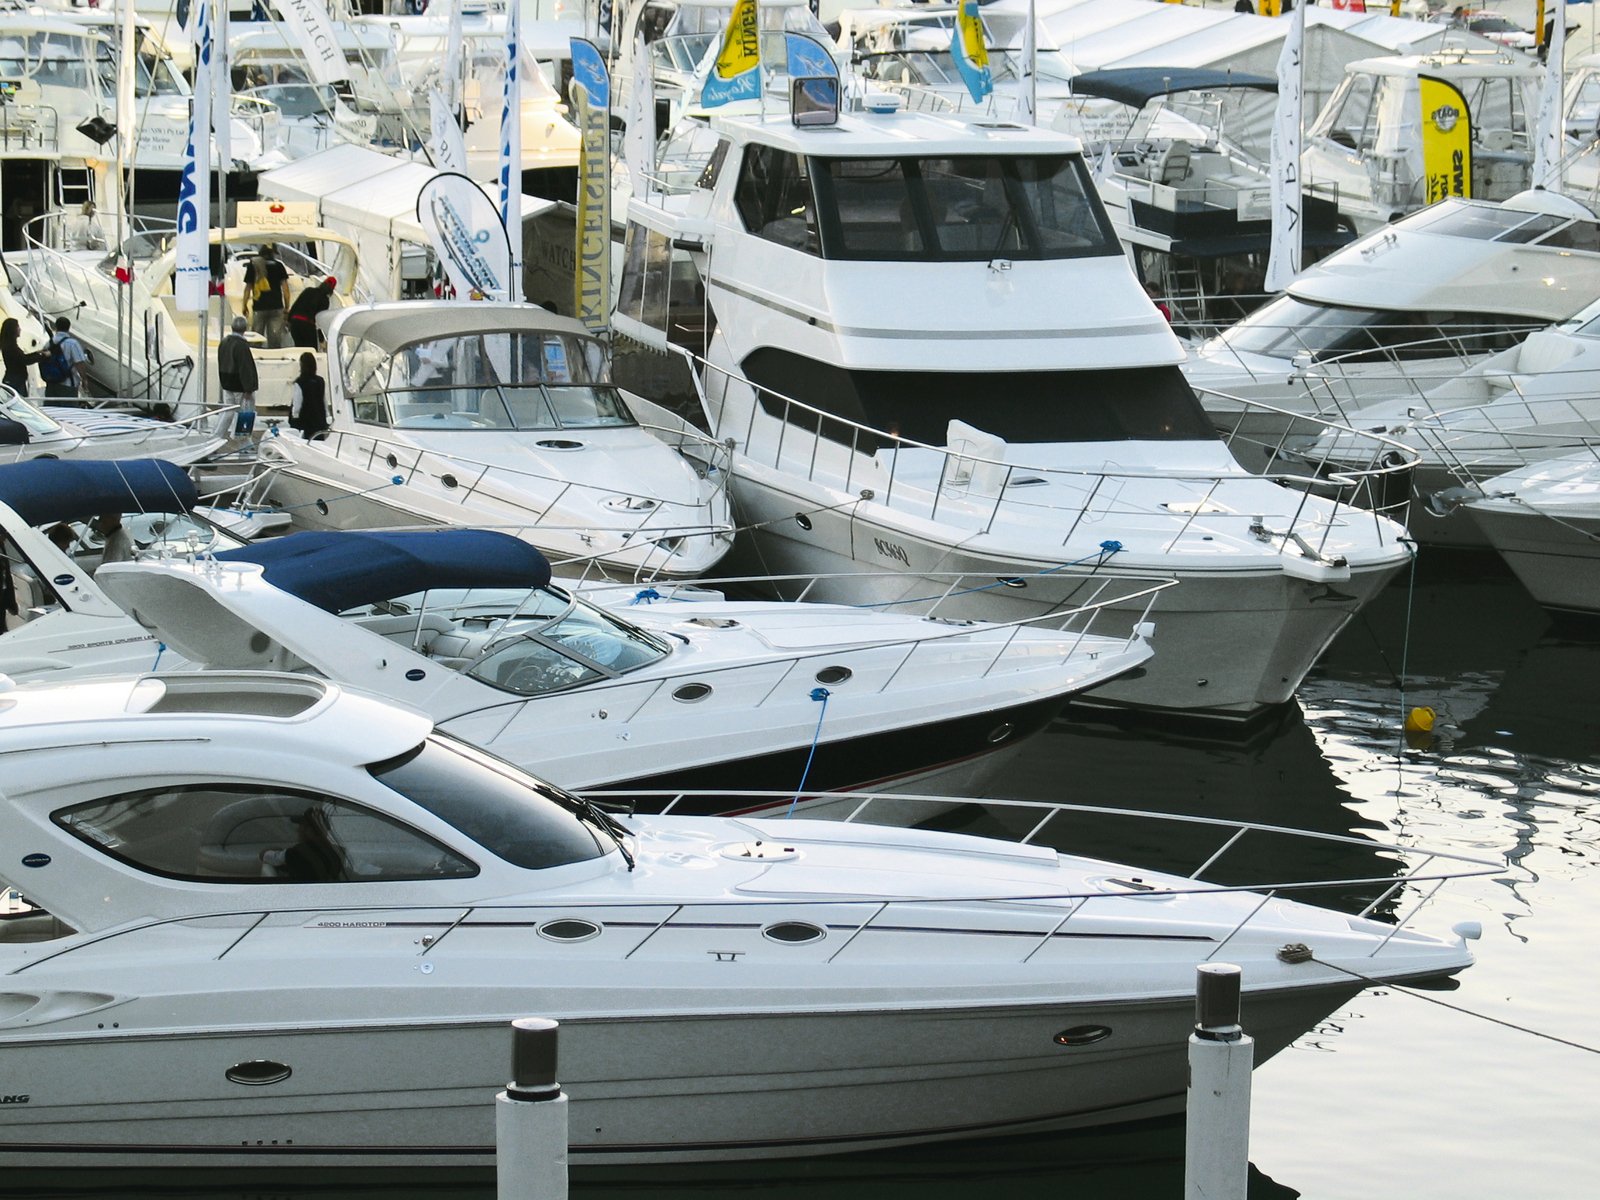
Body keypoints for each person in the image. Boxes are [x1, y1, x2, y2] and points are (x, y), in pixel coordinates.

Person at [218, 315, 259, 436]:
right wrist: (249, 388)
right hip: (239, 385)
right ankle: (243, 440)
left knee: (228, 412)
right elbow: (245, 368)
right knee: (245, 414)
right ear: (245, 329)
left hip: (227, 382)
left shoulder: (224, 342)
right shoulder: (241, 345)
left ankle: (216, 435)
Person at [243, 243, 289, 348]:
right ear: (273, 253)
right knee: (275, 340)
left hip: (259, 307)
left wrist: (244, 305)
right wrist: (287, 307)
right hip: (276, 306)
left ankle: (256, 359)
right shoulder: (279, 266)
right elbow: (286, 289)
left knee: (256, 339)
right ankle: (275, 359)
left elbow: (248, 288)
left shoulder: (253, 265)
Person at [39, 317, 89, 399]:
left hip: (51, 383)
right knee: (69, 409)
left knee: (52, 409)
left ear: (56, 327)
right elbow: (79, 363)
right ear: (69, 327)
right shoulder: (72, 344)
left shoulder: (49, 343)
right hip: (68, 384)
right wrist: (84, 379)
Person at [287, 351, 328, 440]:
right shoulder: (320, 381)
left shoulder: (300, 382)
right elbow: (324, 401)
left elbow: (297, 405)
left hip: (305, 422)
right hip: (319, 420)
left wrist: (294, 420)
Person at [286, 276, 336, 348]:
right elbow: (319, 320)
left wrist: (289, 320)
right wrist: (321, 339)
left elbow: (295, 305)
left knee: (299, 349)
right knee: (311, 351)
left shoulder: (308, 290)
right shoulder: (325, 300)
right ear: (332, 290)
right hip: (308, 325)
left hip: (295, 323)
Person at [0, 318, 43, 397]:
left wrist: (37, 353)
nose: (20, 329)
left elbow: (22, 357)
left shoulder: (8, 345)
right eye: (18, 327)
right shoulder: (11, 347)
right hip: (16, 381)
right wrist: (41, 356)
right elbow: (24, 360)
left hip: (13, 379)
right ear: (13, 330)